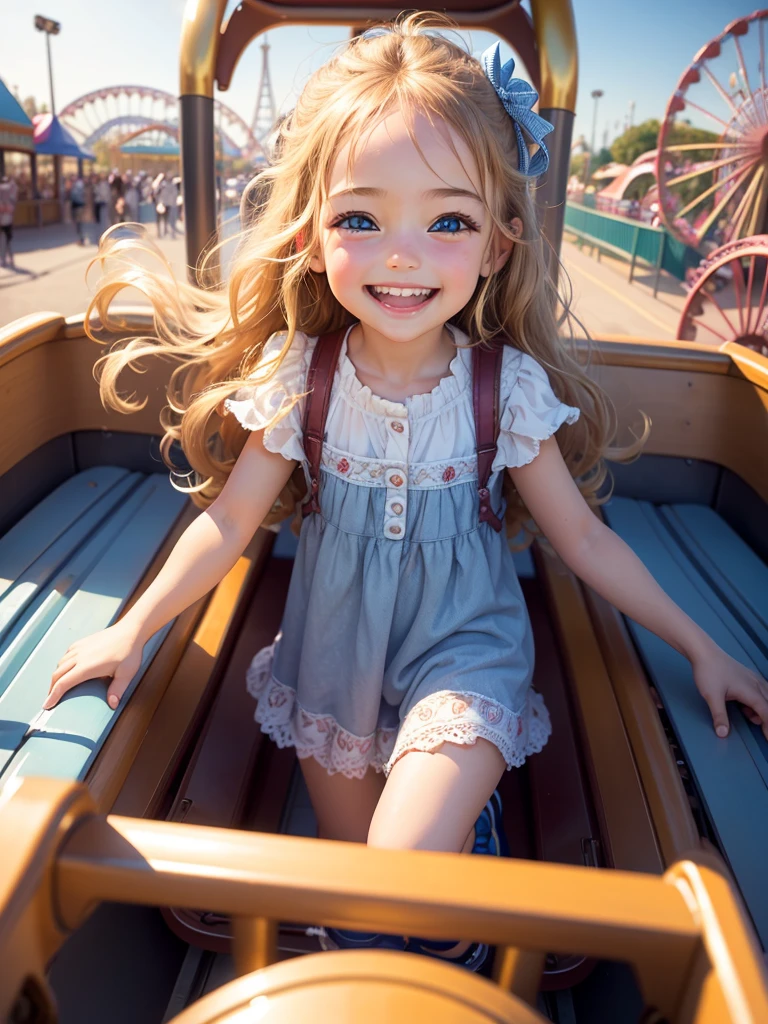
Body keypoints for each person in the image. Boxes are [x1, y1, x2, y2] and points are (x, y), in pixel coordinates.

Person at [42, 12, 768, 971]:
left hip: (464, 645)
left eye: (449, 221)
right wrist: (133, 630)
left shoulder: (499, 391)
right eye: (361, 218)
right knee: (363, 873)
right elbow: (226, 523)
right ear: (309, 237)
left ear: (499, 245)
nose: (402, 254)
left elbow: (585, 545)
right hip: (334, 655)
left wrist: (701, 645)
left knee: (393, 876)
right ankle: (444, 862)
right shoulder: (298, 377)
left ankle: (455, 915)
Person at [0, 173, 18, 267]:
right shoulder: (11, 197)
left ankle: (4, 260)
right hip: (8, 221)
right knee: (7, 241)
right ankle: (9, 259)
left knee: (4, 241)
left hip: (4, 221)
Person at [69, 175, 87, 245]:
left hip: (78, 206)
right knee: (78, 224)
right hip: (76, 206)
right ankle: (80, 238)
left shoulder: (78, 185)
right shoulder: (76, 186)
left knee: (79, 223)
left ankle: (81, 239)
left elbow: (76, 196)